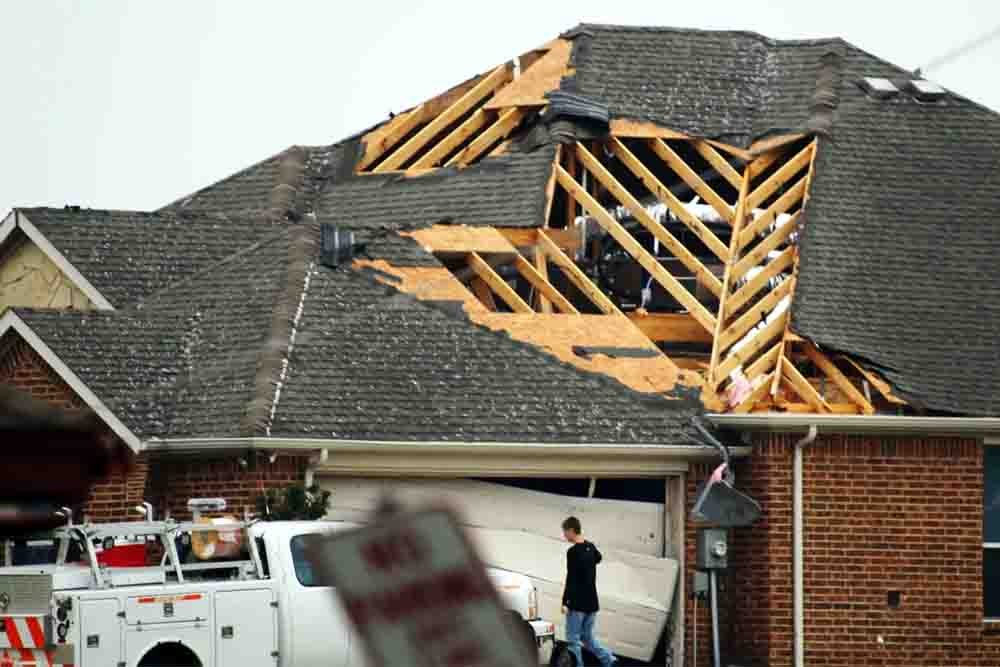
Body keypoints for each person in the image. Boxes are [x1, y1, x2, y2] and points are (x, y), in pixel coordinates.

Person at [561, 516, 616, 667]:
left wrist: (565, 602)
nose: (564, 535)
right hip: (592, 603)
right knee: (588, 638)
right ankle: (610, 661)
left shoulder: (572, 552)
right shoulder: (590, 547)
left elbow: (571, 578)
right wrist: (587, 548)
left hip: (577, 603)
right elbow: (599, 558)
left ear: (572, 530)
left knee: (573, 639)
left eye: (565, 532)